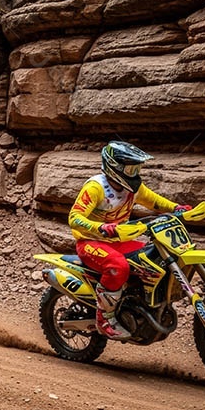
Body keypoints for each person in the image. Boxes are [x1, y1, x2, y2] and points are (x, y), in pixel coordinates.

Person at [68, 141, 192, 339]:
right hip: (91, 242)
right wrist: (101, 227)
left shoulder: (132, 188)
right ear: (115, 167)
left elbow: (154, 200)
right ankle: (105, 317)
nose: (135, 173)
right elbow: (74, 218)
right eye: (131, 168)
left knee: (152, 259)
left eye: (137, 168)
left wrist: (176, 208)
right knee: (118, 266)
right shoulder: (95, 188)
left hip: (120, 239)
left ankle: (136, 304)